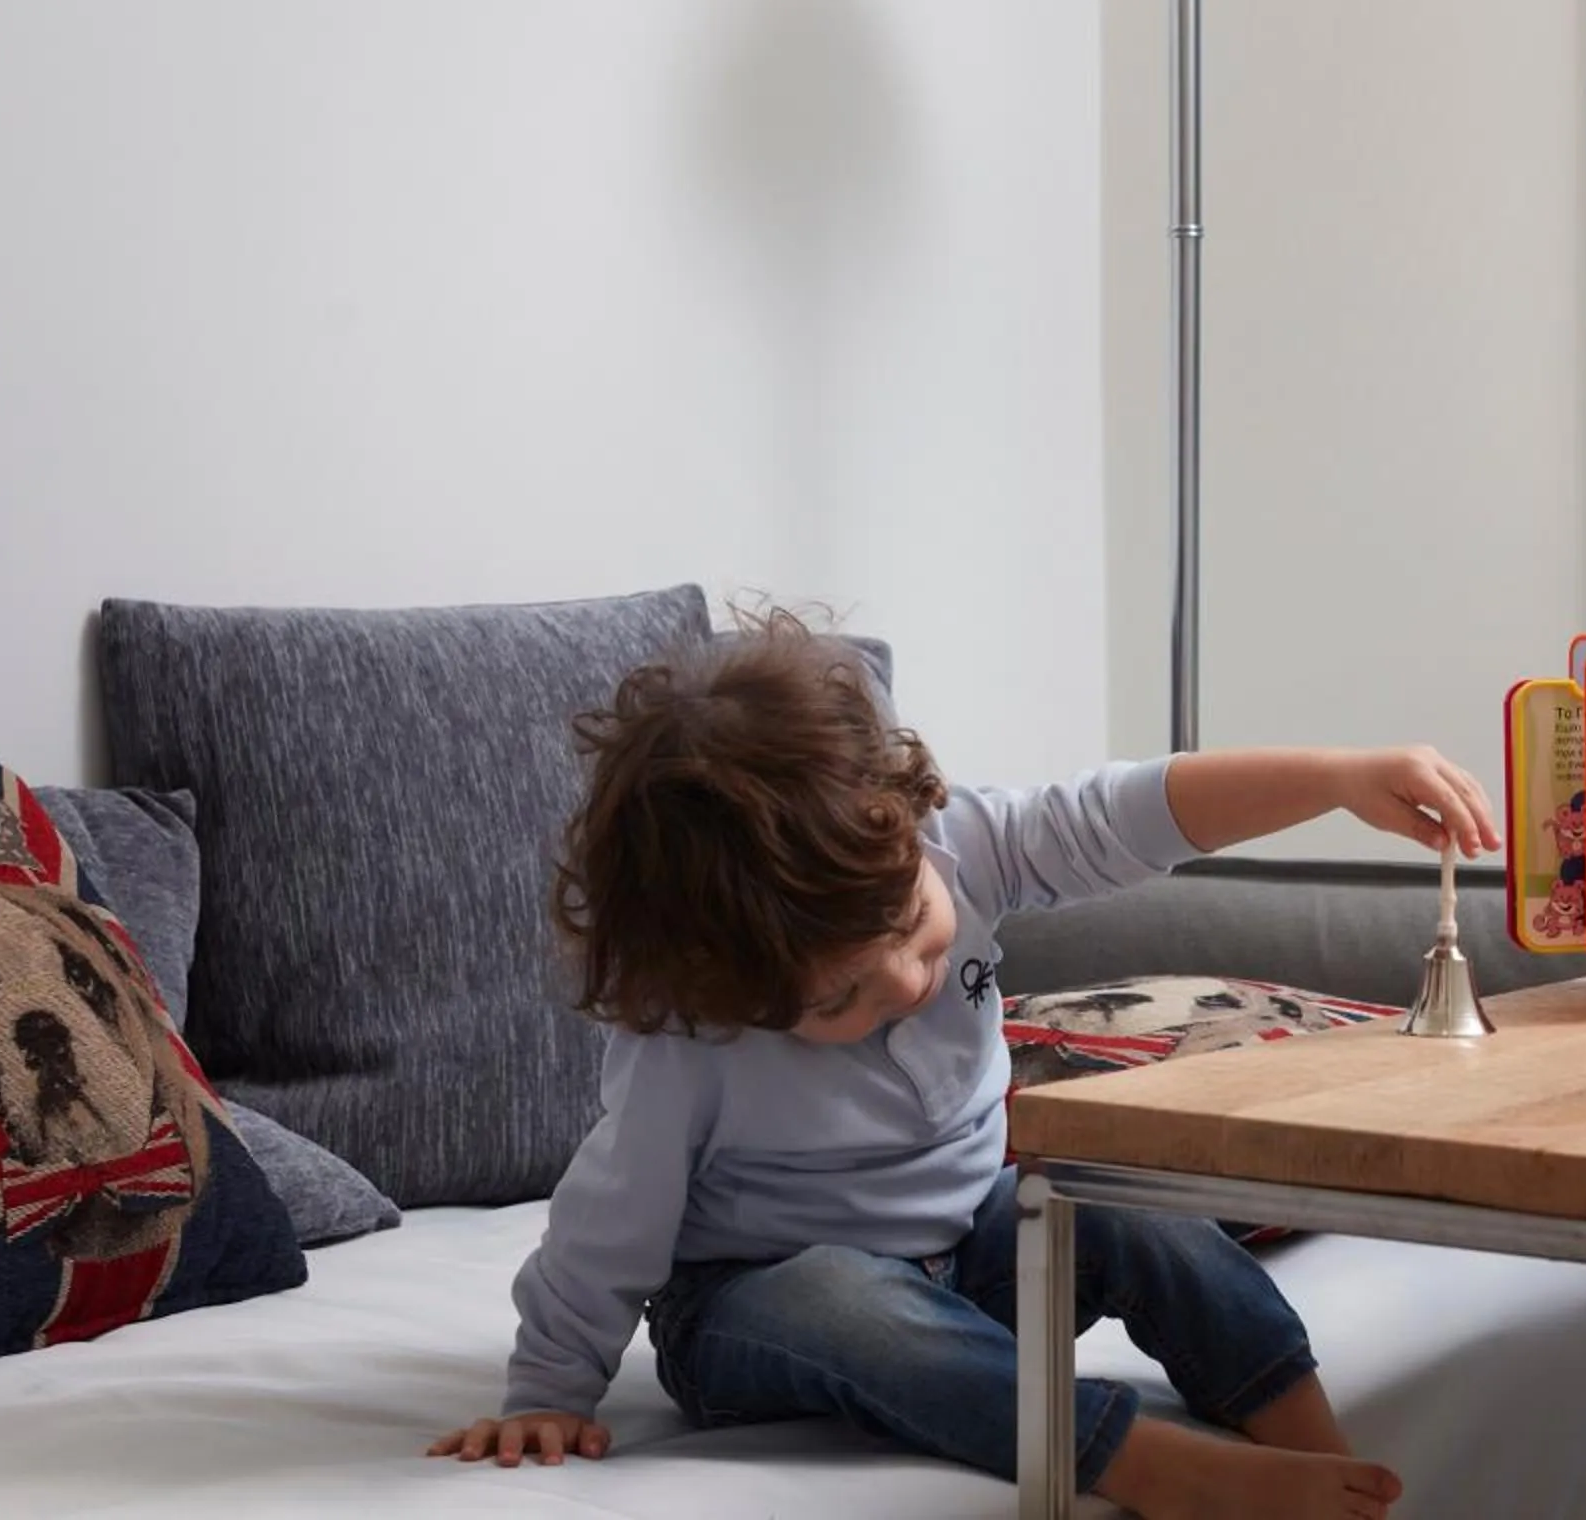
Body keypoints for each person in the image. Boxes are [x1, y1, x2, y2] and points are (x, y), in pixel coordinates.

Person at [429, 613, 1500, 1520]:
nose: (902, 978)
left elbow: (1131, 809)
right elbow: (608, 1215)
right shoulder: (690, 1036)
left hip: (970, 1250)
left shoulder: (958, 842)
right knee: (837, 1292)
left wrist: (1340, 778)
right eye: (836, 996)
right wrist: (550, 1386)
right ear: (729, 984)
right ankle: (1142, 1460)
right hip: (759, 1310)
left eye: (910, 924)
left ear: (905, 826)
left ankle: (1310, 1442)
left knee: (1128, 1202)